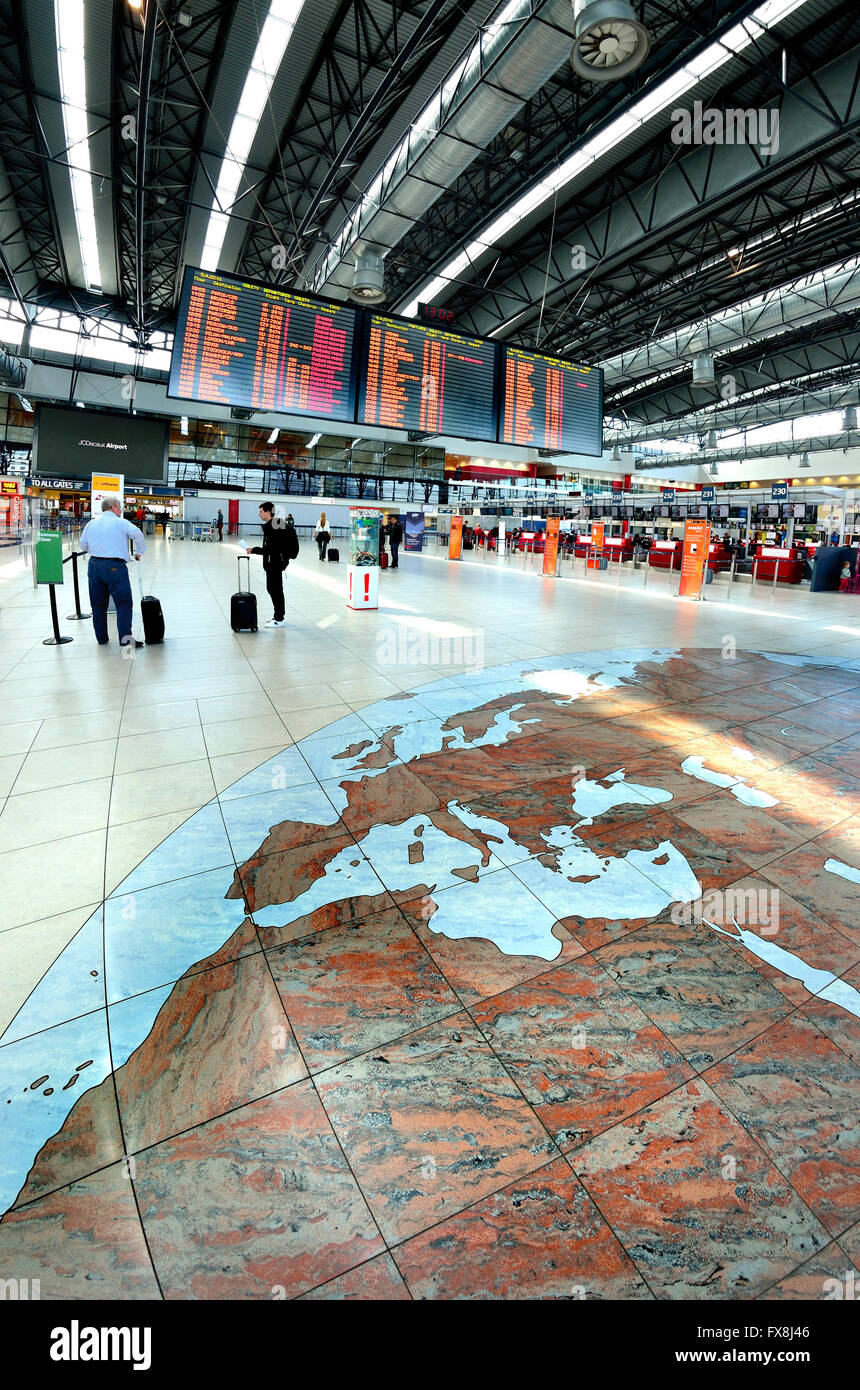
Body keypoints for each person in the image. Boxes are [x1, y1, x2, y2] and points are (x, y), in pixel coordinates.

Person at [79, 496, 146, 648]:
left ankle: (101, 639)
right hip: (115, 566)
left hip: (94, 566)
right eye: (120, 506)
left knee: (97, 605)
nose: (121, 510)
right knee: (123, 603)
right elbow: (138, 535)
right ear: (113, 507)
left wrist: (98, 550)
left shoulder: (92, 523)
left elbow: (83, 545)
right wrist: (139, 552)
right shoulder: (121, 522)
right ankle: (125, 639)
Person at [246, 502, 294, 628]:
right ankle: (277, 615)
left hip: (275, 563)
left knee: (276, 590)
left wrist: (254, 550)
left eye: (260, 511)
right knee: (272, 589)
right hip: (272, 562)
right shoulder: (273, 525)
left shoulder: (275, 527)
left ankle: (279, 618)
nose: (259, 514)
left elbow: (271, 549)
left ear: (267, 512)